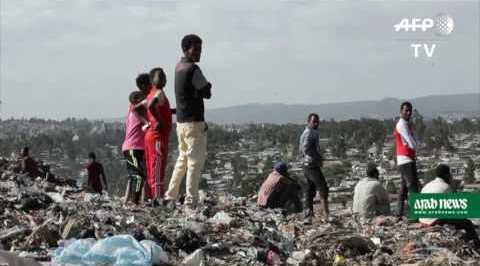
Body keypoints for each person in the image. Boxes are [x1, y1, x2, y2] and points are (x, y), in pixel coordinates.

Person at [165, 34, 212, 210]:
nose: (199, 53)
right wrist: (206, 88)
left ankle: (170, 195)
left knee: (182, 160)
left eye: (200, 49)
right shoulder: (193, 69)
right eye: (196, 49)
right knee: (194, 162)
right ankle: (191, 201)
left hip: (181, 122)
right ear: (186, 49)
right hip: (193, 123)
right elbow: (206, 91)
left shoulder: (178, 67)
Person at [419, 164, 480, 248]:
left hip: (422, 219)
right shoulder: (445, 187)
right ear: (446, 175)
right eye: (449, 174)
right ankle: (477, 246)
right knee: (467, 223)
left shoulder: (427, 185)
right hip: (433, 220)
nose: (450, 177)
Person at [144, 68, 173, 205]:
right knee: (158, 167)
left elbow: (142, 107)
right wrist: (160, 121)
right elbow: (150, 106)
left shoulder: (151, 94)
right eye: (159, 77)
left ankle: (152, 198)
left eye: (164, 76)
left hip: (151, 135)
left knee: (152, 167)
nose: (163, 79)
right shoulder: (159, 93)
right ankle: (158, 199)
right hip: (157, 137)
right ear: (152, 80)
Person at [122, 73, 151, 205]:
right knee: (138, 176)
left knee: (137, 175)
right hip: (133, 147)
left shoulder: (138, 107)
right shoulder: (137, 106)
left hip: (137, 148)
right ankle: (135, 203)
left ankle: (131, 200)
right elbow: (138, 103)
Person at [299, 113, 329, 224]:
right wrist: (318, 157)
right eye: (314, 121)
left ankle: (309, 215)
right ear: (309, 122)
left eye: (317, 121)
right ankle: (326, 214)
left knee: (310, 190)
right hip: (311, 165)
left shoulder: (309, 132)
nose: (316, 123)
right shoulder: (309, 133)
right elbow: (306, 149)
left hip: (307, 164)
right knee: (323, 188)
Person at [394, 101, 421, 218]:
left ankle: (398, 213)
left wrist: (416, 143)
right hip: (405, 159)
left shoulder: (408, 124)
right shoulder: (402, 125)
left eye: (410, 110)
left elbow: (415, 140)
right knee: (413, 187)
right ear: (401, 112)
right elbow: (411, 143)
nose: (408, 113)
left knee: (404, 188)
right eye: (406, 110)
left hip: (407, 158)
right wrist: (416, 145)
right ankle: (415, 215)